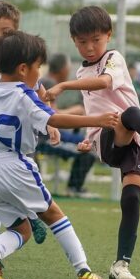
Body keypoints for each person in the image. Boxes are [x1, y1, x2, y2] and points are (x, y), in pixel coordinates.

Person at [45, 6, 140, 279]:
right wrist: (88, 140)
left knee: (131, 196)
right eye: (82, 42)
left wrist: (63, 87)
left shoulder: (114, 58)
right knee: (125, 115)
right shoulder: (80, 73)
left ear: (108, 36)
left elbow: (104, 83)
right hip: (108, 138)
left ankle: (121, 264)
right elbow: (95, 107)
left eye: (96, 40)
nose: (90, 48)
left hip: (136, 141)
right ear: (73, 40)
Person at [0, 30, 118, 279]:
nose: (40, 73)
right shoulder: (24, 94)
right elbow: (54, 117)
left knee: (22, 229)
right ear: (23, 69)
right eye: (38, 67)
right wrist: (96, 119)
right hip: (14, 165)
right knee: (54, 215)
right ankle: (83, 271)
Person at [0, 0, 54, 248]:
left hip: (13, 148)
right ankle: (27, 217)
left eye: (6, 33)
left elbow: (40, 96)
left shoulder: (23, 64)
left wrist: (51, 123)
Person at [40, 53, 99, 198]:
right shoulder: (48, 83)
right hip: (44, 138)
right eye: (68, 67)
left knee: (89, 143)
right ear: (62, 69)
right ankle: (74, 188)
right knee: (88, 151)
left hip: (54, 133)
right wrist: (76, 111)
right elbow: (51, 114)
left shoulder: (47, 81)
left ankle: (74, 186)